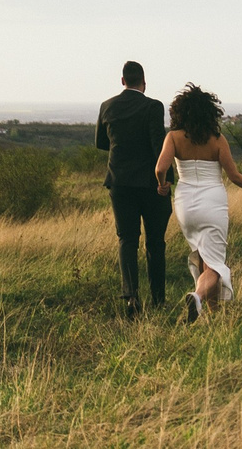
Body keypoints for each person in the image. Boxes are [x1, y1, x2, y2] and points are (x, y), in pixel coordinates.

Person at [154, 82, 242, 322]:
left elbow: (160, 167)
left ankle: (212, 314)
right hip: (212, 203)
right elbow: (234, 175)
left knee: (205, 258)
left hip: (185, 205)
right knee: (215, 263)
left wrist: (162, 184)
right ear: (209, 111)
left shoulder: (173, 137)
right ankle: (197, 297)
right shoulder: (217, 139)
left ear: (179, 112)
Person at [95, 60, 169, 319]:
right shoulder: (153, 106)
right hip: (151, 185)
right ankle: (158, 300)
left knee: (127, 239)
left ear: (122, 81)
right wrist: (164, 181)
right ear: (144, 82)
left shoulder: (107, 106)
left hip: (119, 182)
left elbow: (101, 143)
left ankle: (131, 298)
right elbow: (158, 145)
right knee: (155, 243)